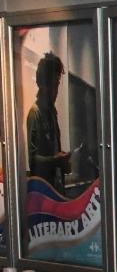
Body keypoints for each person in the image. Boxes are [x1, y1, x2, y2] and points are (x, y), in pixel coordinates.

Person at [26, 52, 72, 189]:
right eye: (50, 85)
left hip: (56, 190)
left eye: (56, 85)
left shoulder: (52, 113)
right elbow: (33, 161)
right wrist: (56, 161)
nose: (55, 91)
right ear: (41, 83)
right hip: (43, 193)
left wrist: (63, 164)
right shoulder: (35, 113)